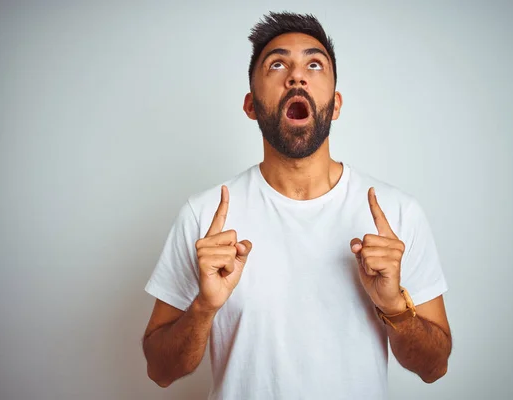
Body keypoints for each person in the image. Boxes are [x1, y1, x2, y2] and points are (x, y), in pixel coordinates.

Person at [142, 11, 452, 400]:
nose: (296, 76)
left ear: (335, 104)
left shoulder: (398, 214)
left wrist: (393, 306)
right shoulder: (203, 215)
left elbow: (434, 367)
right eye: (277, 64)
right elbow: (159, 370)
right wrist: (204, 308)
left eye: (314, 64)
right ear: (251, 105)